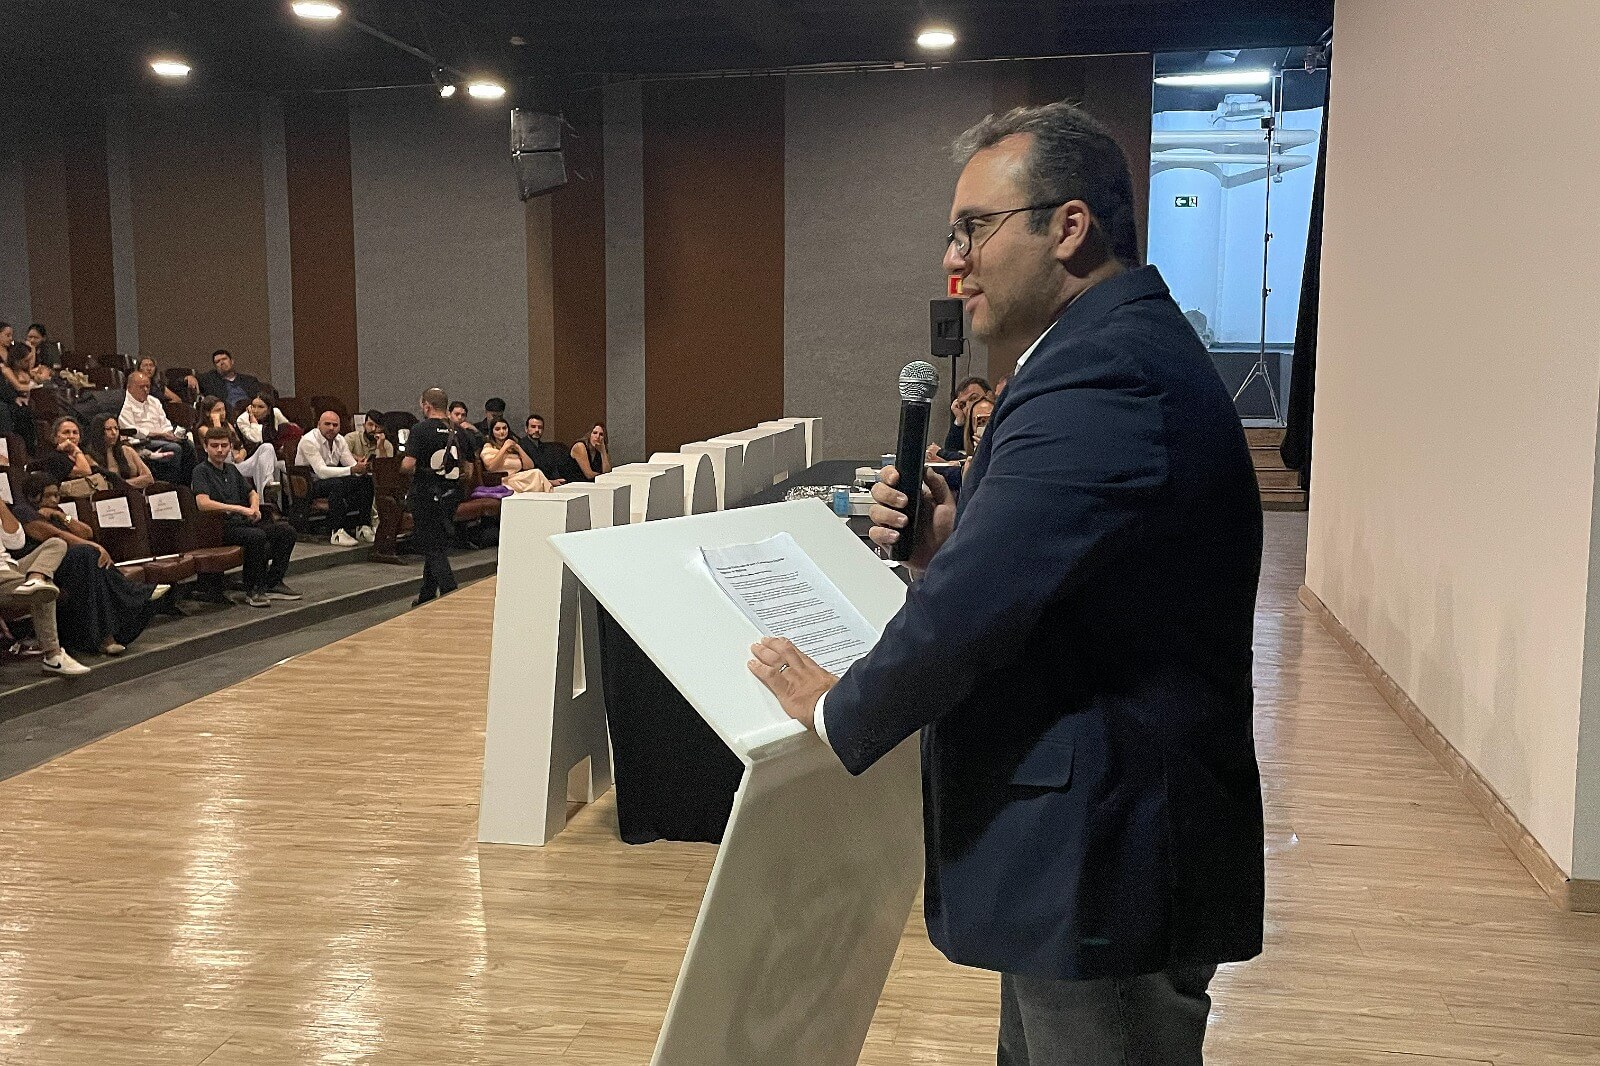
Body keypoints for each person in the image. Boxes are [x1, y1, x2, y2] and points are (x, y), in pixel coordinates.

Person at [745, 102, 1265, 1066]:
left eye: (975, 228)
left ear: (1069, 226)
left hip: (1109, 844)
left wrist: (836, 708)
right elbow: (1062, 570)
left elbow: (976, 608)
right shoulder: (1102, 352)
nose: (955, 261)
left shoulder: (1105, 371)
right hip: (1094, 836)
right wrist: (951, 537)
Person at [13, 474, 168, 657]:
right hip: (43, 566)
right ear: (33, 496)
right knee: (87, 554)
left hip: (73, 565)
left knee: (90, 562)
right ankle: (135, 594)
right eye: (48, 495)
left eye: (57, 495)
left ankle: (107, 638)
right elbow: (53, 536)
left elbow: (87, 532)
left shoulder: (55, 512)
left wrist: (62, 516)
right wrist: (95, 546)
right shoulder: (23, 511)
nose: (54, 500)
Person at [192, 426, 299, 608]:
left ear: (229, 446)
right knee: (256, 536)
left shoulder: (231, 469)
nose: (220, 450)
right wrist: (240, 509)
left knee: (286, 531)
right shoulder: (201, 471)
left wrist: (254, 507)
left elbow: (252, 493)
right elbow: (203, 503)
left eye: (224, 445)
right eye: (215, 446)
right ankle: (253, 589)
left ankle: (272, 582)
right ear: (206, 447)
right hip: (219, 527)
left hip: (241, 522)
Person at [0, 493, 89, 675]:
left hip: (12, 567)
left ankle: (36, 577)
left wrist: (0, 505)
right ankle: (53, 656)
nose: (55, 498)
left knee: (57, 543)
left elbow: (16, 542)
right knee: (44, 590)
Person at [403, 388, 461, 606]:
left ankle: (450, 592)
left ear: (426, 405)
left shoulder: (420, 429)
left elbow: (409, 464)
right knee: (436, 543)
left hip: (426, 493)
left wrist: (401, 468)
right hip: (451, 494)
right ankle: (426, 595)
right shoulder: (459, 431)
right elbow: (469, 468)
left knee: (432, 547)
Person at [295, 411, 374, 546]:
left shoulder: (340, 440)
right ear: (319, 425)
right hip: (310, 482)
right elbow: (321, 472)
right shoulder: (309, 441)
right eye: (327, 424)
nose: (331, 428)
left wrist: (362, 468)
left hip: (332, 479)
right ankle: (337, 531)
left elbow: (351, 464)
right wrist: (352, 470)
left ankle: (363, 526)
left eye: (335, 425)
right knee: (337, 484)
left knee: (366, 480)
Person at [199, 395, 279, 497]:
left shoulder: (228, 425)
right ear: (207, 413)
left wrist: (241, 455)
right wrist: (216, 422)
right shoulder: (203, 429)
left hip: (236, 465)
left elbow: (240, 446)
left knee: (267, 447)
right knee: (225, 451)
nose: (223, 413)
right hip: (220, 467)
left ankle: (267, 486)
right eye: (218, 410)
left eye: (224, 409)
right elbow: (218, 441)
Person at [118, 371, 191, 482]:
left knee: (188, 444)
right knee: (174, 448)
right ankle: (171, 484)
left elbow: (165, 423)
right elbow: (131, 430)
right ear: (129, 387)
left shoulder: (154, 401)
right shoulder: (123, 404)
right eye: (141, 387)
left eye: (147, 386)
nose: (146, 390)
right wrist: (160, 434)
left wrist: (170, 433)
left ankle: (187, 484)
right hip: (141, 441)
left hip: (163, 438)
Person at [927, 375, 993, 461]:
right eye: (963, 404)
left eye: (974, 398)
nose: (969, 406)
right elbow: (954, 451)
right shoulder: (968, 429)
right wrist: (959, 421)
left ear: (990, 396)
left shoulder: (1002, 424)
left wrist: (941, 452)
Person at [84, 414, 155, 490]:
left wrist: (122, 484)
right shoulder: (89, 457)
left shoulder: (127, 450)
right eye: (108, 429)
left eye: (116, 428)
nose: (114, 432)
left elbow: (149, 478)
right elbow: (103, 485)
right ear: (98, 431)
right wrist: (134, 482)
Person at [39, 416, 104, 488]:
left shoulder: (87, 453)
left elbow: (99, 471)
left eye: (75, 432)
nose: (71, 436)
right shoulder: (54, 457)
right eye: (66, 432)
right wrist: (76, 449)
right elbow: (85, 471)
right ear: (56, 438)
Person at [0, 335, 37, 456]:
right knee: (23, 412)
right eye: (25, 361)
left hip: (24, 400)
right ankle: (24, 451)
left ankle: (33, 449)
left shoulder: (26, 371)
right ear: (17, 360)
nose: (28, 363)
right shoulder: (7, 370)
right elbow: (18, 387)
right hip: (11, 402)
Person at [196, 349, 262, 412]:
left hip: (250, 412)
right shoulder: (210, 381)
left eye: (224, 359)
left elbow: (260, 398)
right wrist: (191, 376)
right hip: (226, 414)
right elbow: (195, 377)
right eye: (217, 361)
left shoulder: (248, 380)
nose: (222, 362)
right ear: (216, 367)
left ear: (232, 361)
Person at [519, 414, 576, 485]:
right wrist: (550, 482)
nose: (537, 430)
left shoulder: (544, 447)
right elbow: (527, 472)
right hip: (533, 484)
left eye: (540, 427)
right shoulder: (521, 446)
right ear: (526, 429)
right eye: (533, 427)